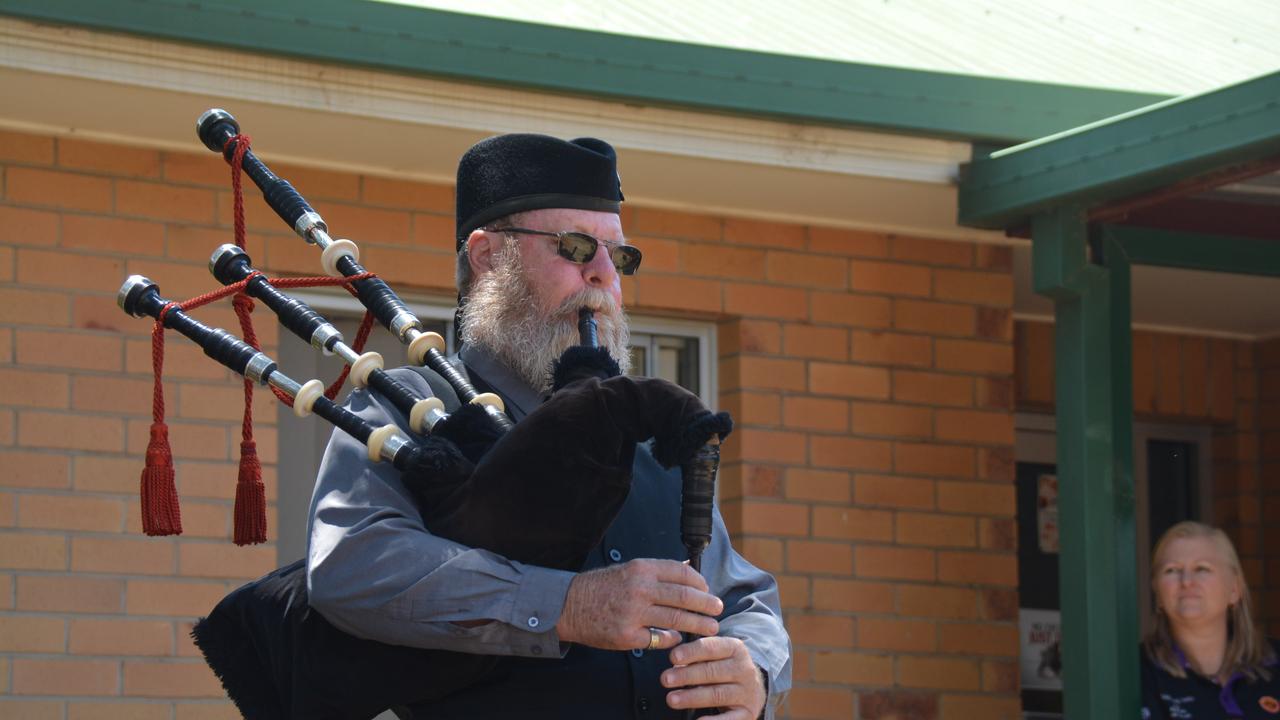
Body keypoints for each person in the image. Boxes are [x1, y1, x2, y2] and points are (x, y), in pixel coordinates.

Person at [306, 133, 792, 719]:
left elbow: (740, 592)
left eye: (620, 257)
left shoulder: (645, 427)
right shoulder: (412, 404)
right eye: (577, 247)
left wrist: (754, 668)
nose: (605, 278)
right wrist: (566, 605)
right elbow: (353, 563)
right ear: (489, 257)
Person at [1141, 521, 1278, 719]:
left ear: (1234, 589)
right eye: (1171, 570)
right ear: (1158, 593)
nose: (1187, 581)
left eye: (1202, 569)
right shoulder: (1135, 675)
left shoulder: (1275, 664)